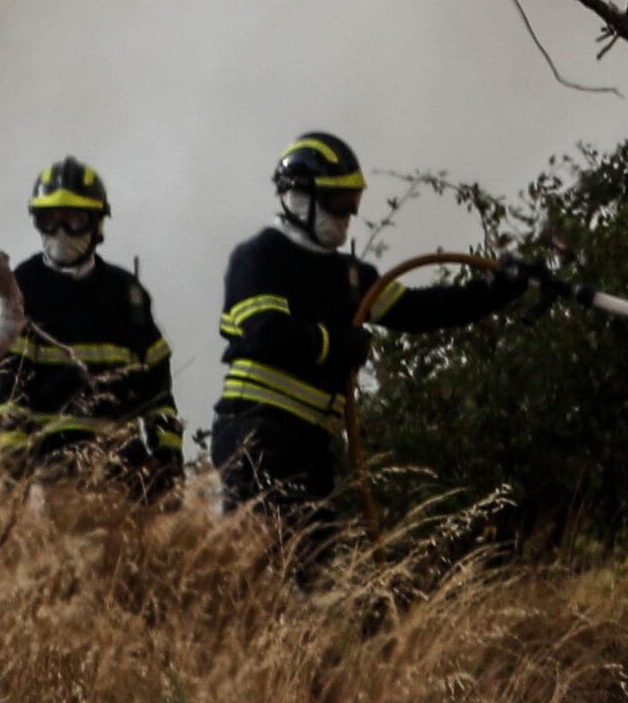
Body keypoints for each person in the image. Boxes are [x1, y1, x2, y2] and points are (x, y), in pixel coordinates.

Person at [207, 129, 544, 539]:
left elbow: (419, 310)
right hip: (257, 432)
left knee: (311, 568)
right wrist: (336, 344)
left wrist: (501, 289)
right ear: (300, 198)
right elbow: (265, 333)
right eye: (337, 201)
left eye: (353, 202)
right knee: (260, 565)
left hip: (311, 442)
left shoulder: (348, 275)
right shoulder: (260, 256)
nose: (347, 214)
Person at [0, 156, 185, 501]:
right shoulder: (21, 290)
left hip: (121, 475)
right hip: (46, 474)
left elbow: (157, 390)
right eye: (51, 220)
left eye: (74, 220)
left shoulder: (127, 295)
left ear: (96, 224)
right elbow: (4, 387)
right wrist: (10, 465)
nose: (62, 233)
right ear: (37, 223)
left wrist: (167, 458)